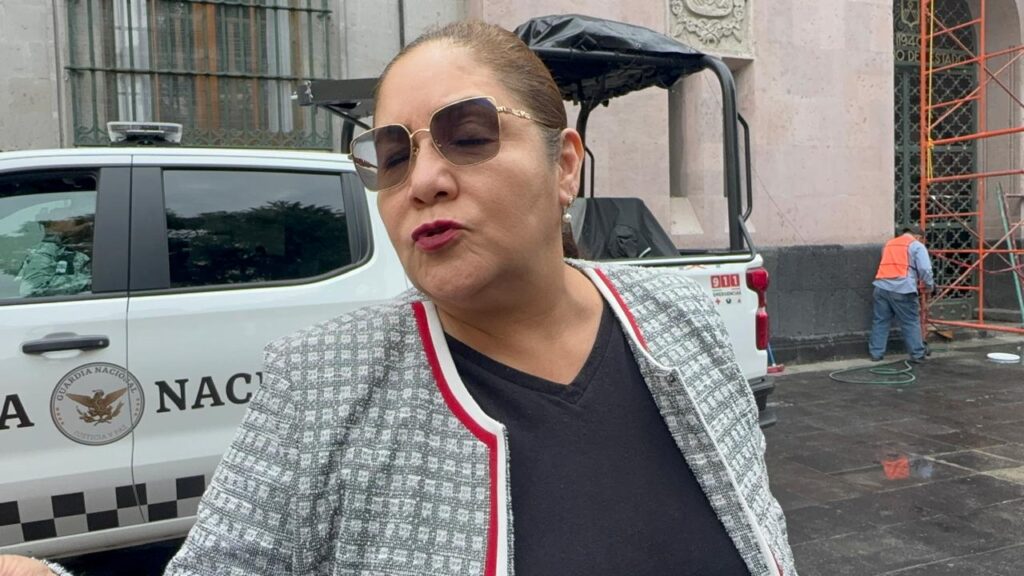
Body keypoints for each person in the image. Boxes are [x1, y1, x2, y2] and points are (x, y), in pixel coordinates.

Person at [4, 20, 795, 576]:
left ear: (564, 165)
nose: (423, 180)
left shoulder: (681, 321)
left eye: (470, 135)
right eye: (392, 155)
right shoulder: (319, 384)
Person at [869, 226, 935, 363]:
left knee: (880, 321)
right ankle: (917, 354)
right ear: (918, 237)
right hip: (902, 288)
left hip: (881, 286)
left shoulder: (888, 244)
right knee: (910, 322)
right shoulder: (916, 246)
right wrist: (929, 285)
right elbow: (925, 269)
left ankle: (876, 353)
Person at [15, 215, 92, 298]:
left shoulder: (88, 248)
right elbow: (33, 289)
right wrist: (88, 281)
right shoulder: (48, 251)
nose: (73, 218)